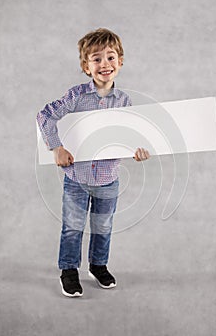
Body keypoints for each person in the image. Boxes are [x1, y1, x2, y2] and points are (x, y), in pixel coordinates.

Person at [36, 28, 150, 298]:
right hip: (77, 178)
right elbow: (45, 116)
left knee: (103, 226)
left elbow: (125, 137)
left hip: (108, 178)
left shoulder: (124, 101)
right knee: (73, 227)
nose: (104, 64)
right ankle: (68, 270)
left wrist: (136, 150)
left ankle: (98, 265)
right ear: (86, 66)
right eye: (96, 59)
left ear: (120, 62)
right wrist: (57, 147)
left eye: (110, 57)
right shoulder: (76, 96)